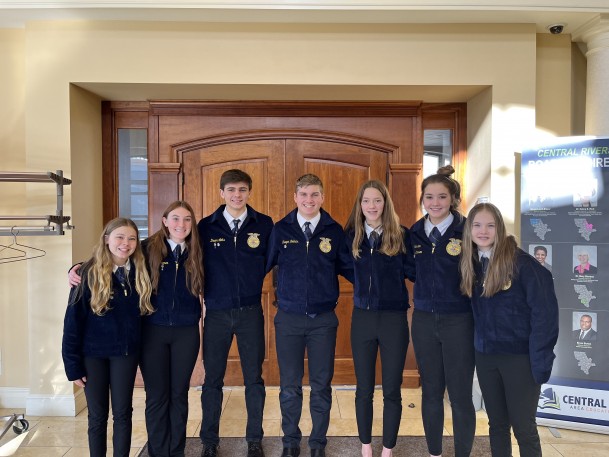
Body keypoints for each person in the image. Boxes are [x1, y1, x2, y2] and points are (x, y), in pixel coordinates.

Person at [68, 203, 205, 457]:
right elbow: (113, 257)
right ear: (164, 221)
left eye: (187, 219)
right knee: (156, 396)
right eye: (175, 218)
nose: (181, 224)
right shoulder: (147, 248)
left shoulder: (199, 249)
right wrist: (77, 268)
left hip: (186, 332)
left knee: (179, 395)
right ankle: (158, 452)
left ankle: (176, 451)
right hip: (152, 332)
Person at [460, 203, 559, 457]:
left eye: (490, 225)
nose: (483, 231)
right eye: (477, 225)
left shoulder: (522, 264)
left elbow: (545, 316)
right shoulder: (473, 263)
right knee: (497, 425)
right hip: (486, 357)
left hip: (519, 359)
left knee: (524, 429)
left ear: (500, 228)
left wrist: (541, 360)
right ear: (469, 229)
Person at [266, 173, 353, 457]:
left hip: (323, 321)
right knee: (289, 387)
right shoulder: (281, 229)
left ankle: (317, 444)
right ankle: (290, 442)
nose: (309, 200)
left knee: (321, 386)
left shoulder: (334, 231)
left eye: (315, 194)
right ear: (295, 197)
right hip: (288, 319)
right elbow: (260, 265)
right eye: (303, 194)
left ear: (322, 197)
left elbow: (350, 268)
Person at [62, 218, 154, 457]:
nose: (126, 243)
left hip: (125, 354)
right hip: (93, 356)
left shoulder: (140, 271)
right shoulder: (87, 273)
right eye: (119, 237)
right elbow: (72, 323)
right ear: (106, 240)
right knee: (97, 415)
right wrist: (72, 366)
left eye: (132, 238)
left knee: (123, 413)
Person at [198, 169, 274, 457]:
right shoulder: (206, 226)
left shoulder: (264, 224)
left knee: (254, 378)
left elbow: (273, 260)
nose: (237, 195)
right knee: (212, 380)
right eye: (231, 189)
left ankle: (254, 439)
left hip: (250, 312)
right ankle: (209, 442)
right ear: (222, 193)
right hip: (216, 313)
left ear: (249, 192)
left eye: (242, 189)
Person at [409, 165, 476, 457]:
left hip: (459, 321)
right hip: (423, 320)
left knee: (459, 395)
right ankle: (434, 452)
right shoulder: (414, 233)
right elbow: (410, 270)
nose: (435, 203)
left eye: (442, 197)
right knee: (431, 392)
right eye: (429, 197)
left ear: (453, 199)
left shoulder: (467, 230)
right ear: (422, 199)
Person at [344, 180, 412, 457]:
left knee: (392, 389)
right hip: (363, 318)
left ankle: (388, 448)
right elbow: (344, 267)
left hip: (394, 319)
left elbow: (413, 270)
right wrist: (365, 286)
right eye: (366, 201)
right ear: (360, 205)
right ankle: (365, 445)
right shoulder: (351, 236)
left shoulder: (402, 235)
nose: (371, 206)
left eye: (377, 200)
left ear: (385, 203)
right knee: (364, 388)